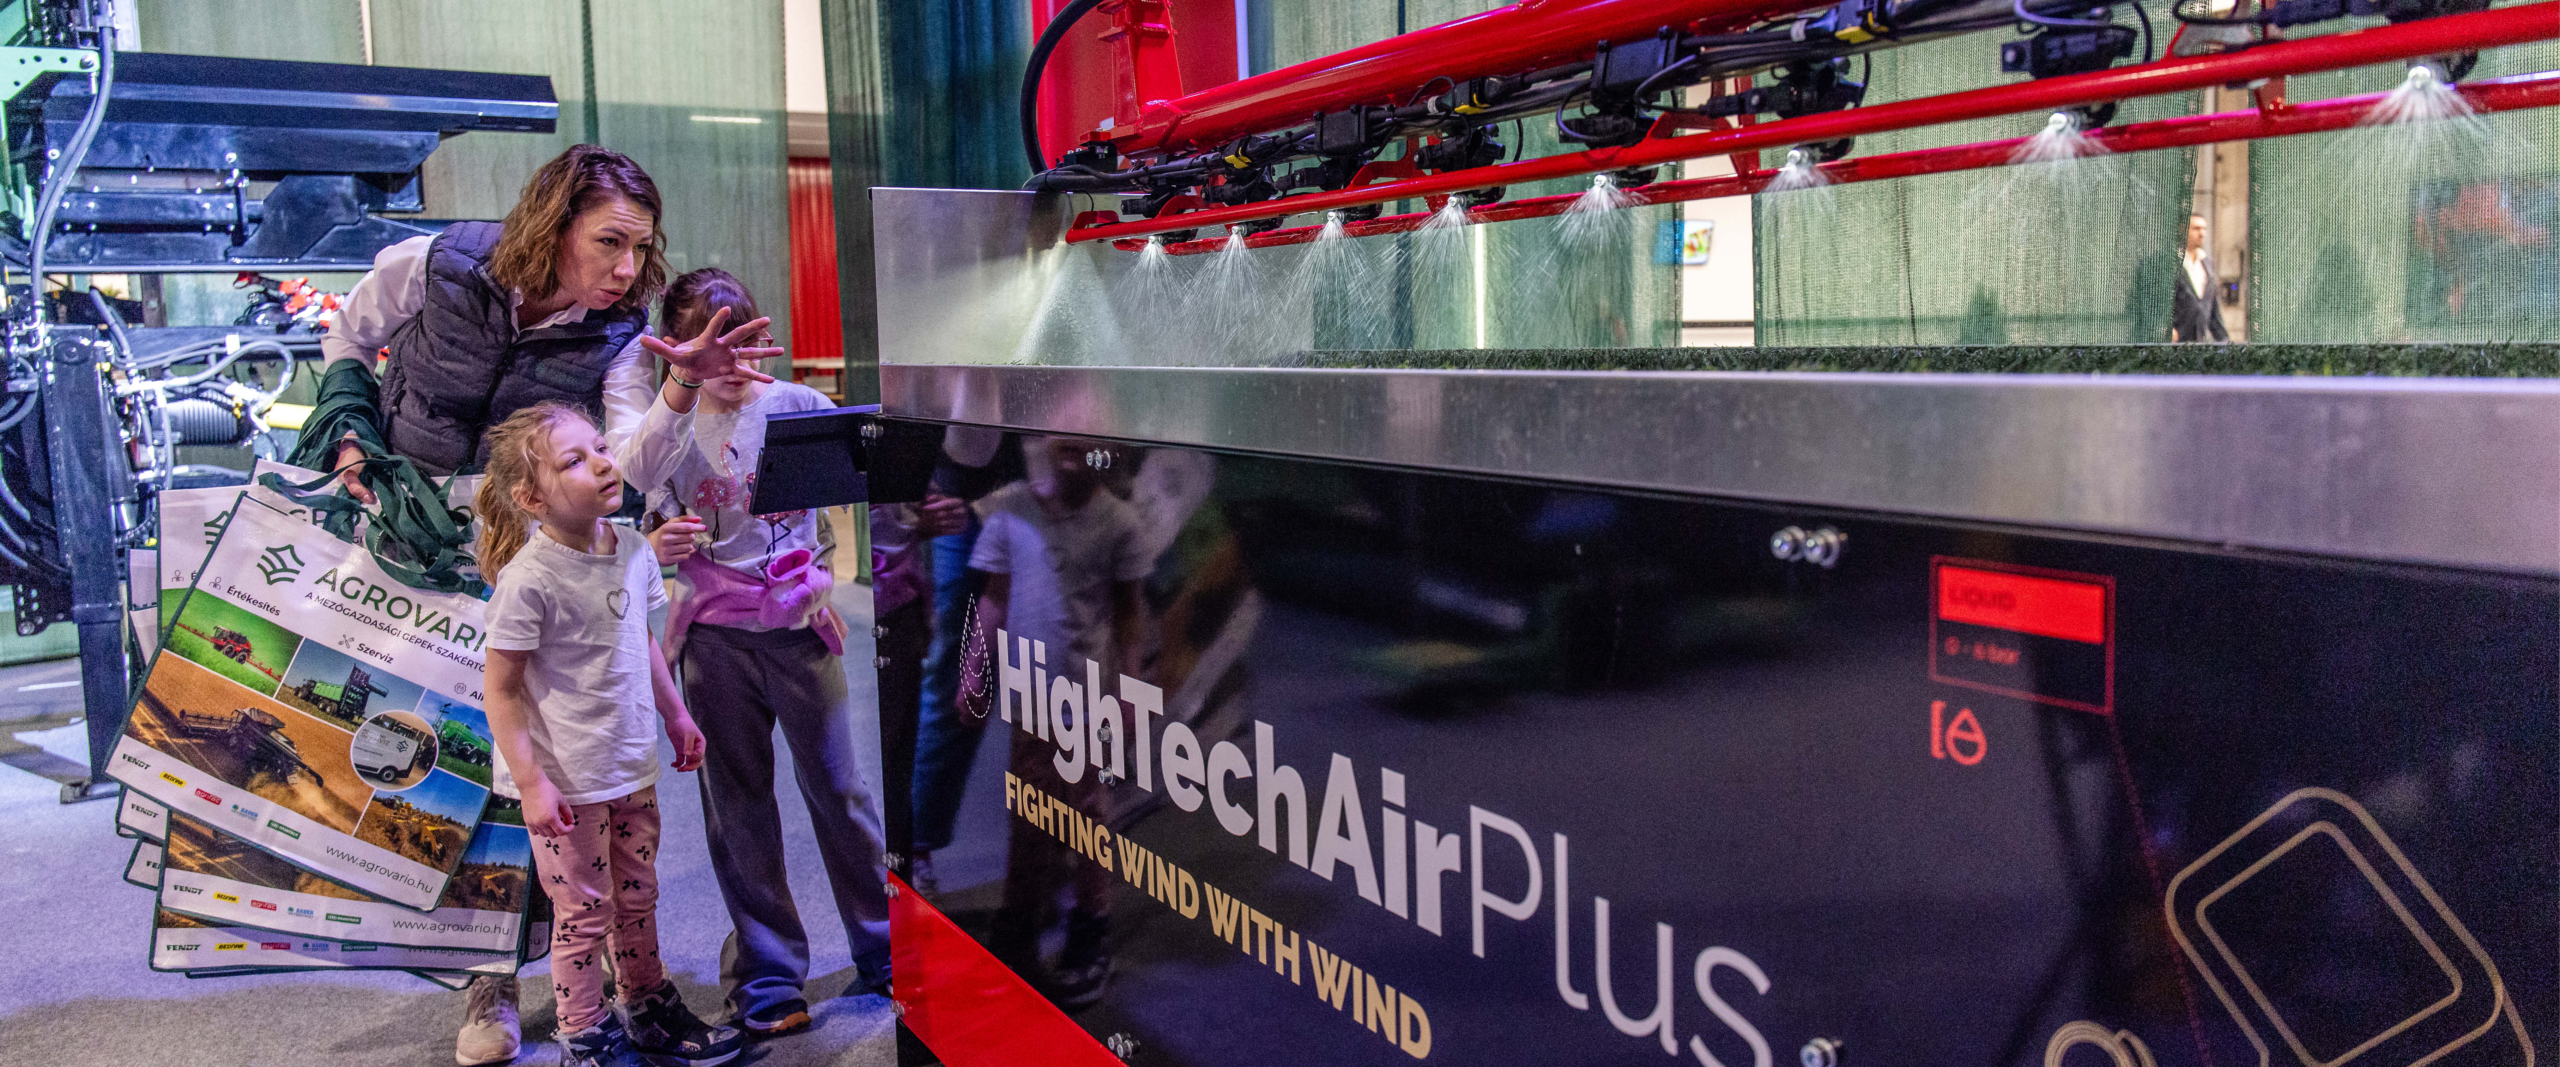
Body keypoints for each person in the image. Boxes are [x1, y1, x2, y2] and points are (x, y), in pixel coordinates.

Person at [294, 145, 771, 1066]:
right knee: (426, 759)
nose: (629, 269)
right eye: (610, 242)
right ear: (554, 226)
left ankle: (509, 981)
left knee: (523, 775)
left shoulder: (622, 329)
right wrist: (351, 440)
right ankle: (478, 968)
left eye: (641, 247)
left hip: (511, 547)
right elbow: (348, 340)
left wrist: (677, 383)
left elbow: (631, 466)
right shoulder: (435, 265)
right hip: (397, 527)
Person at [615, 269, 918, 1038]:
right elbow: (632, 485)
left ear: (757, 335)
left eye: (740, 339)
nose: (729, 359)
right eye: (706, 347)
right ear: (678, 353)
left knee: (841, 795)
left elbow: (833, 507)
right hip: (711, 640)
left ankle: (887, 950)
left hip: (797, 633)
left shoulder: (799, 407)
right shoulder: (666, 423)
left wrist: (818, 576)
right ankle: (770, 974)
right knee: (738, 807)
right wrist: (658, 540)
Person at [477, 402, 743, 1067]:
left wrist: (675, 714)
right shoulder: (528, 580)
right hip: (566, 785)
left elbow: (641, 642)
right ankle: (586, 1033)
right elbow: (500, 691)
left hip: (628, 767)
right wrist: (531, 783)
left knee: (638, 894)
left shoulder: (629, 548)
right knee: (584, 914)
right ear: (531, 497)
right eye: (574, 460)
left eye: (600, 447)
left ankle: (647, 1004)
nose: (601, 463)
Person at [961, 437, 1150, 1007]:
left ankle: (1091, 929)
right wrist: (973, 671)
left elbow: (1128, 618)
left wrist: (1131, 697)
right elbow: (992, 600)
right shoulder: (1008, 510)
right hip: (1030, 702)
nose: (1078, 446)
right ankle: (1018, 928)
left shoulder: (1119, 524)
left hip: (1087, 699)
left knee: (1088, 814)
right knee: (1028, 813)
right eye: (1065, 433)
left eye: (1093, 437)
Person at [2173, 214, 2229, 343]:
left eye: (2204, 229)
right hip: (2174, 344)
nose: (2202, 233)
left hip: (2199, 343)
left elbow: (2212, 308)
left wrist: (2225, 341)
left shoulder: (2206, 263)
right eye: (2196, 228)